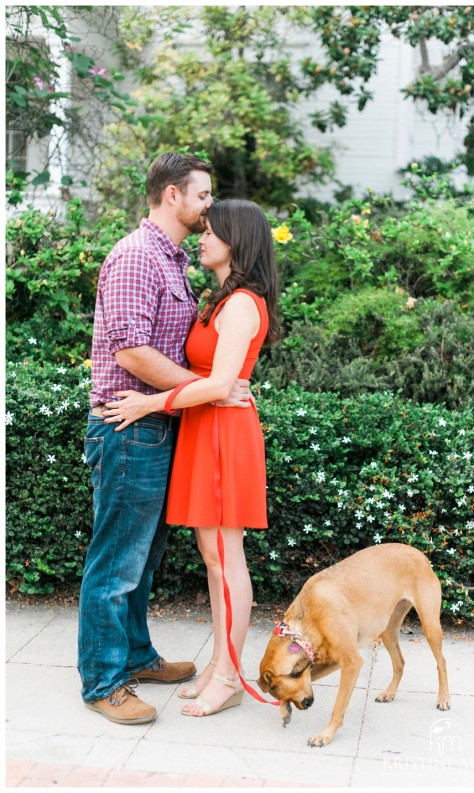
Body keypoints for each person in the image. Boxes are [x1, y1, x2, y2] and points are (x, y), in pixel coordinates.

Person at [79, 153, 252, 726]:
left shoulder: (171, 259)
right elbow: (131, 351)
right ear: (174, 195)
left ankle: (135, 656)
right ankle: (104, 682)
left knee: (143, 559)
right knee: (116, 564)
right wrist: (209, 388)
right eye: (203, 196)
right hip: (130, 426)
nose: (209, 207)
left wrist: (205, 390)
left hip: (162, 426)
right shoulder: (135, 257)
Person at [102, 198, 280, 717]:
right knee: (213, 558)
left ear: (237, 241)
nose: (200, 238)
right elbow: (215, 381)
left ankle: (228, 674)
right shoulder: (219, 300)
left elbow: (223, 384)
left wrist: (149, 401)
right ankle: (218, 664)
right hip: (208, 429)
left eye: (211, 231)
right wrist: (206, 390)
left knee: (226, 559)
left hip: (224, 434)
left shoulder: (243, 302)